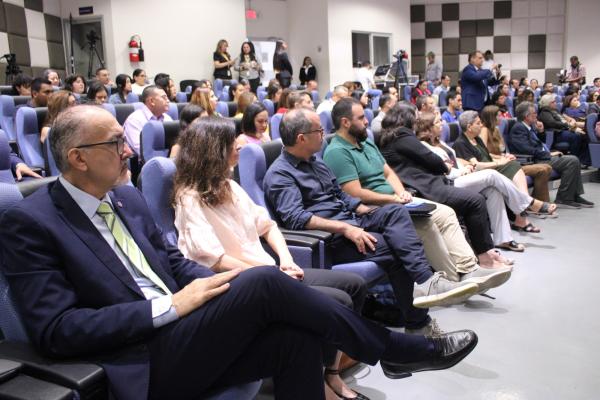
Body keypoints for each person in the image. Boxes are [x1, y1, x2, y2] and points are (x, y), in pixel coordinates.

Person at [0, 104, 478, 400]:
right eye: (115, 143)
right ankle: (395, 349)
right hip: (137, 358)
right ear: (78, 158)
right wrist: (172, 305)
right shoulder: (32, 221)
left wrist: (215, 287)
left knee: (295, 338)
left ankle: (391, 351)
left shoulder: (125, 198)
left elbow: (171, 262)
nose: (129, 150)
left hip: (182, 331)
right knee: (264, 280)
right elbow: (57, 331)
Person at [173, 117, 371, 400]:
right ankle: (320, 382)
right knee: (339, 301)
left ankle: (331, 371)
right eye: (232, 143)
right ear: (214, 150)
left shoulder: (229, 186)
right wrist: (271, 273)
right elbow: (214, 260)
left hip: (271, 272)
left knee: (354, 285)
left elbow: (268, 226)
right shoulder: (189, 199)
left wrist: (285, 259)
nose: (239, 147)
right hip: (244, 284)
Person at [263, 109, 482, 331]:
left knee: (395, 211)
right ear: (301, 138)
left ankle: (426, 284)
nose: (323, 134)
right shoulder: (280, 174)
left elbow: (339, 194)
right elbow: (296, 218)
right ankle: (419, 321)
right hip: (330, 239)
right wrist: (345, 228)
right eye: (318, 130)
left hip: (351, 219)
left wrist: (363, 209)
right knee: (395, 247)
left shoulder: (315, 161)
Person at [324, 97, 511, 287]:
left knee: (446, 213)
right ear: (345, 122)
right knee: (426, 225)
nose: (366, 121)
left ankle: (469, 269)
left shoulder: (366, 143)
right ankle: (453, 281)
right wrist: (392, 198)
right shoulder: (337, 152)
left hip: (397, 199)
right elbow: (354, 193)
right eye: (361, 118)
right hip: (377, 209)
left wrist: (401, 193)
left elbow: (388, 172)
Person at [377, 102, 513, 267]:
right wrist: (445, 167)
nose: (417, 120)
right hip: (425, 187)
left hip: (423, 184)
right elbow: (431, 159)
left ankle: (486, 252)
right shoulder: (402, 135)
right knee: (475, 201)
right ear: (408, 117)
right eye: (415, 116)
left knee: (481, 196)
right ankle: (485, 257)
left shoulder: (390, 136)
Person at [416, 111, 535, 252]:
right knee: (491, 175)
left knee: (493, 191)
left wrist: (465, 167)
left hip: (459, 176)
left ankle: (504, 239)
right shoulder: (423, 146)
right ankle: (527, 203)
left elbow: (453, 161)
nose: (442, 123)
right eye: (437, 122)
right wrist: (461, 171)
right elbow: (441, 169)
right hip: (448, 183)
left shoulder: (440, 142)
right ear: (428, 127)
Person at [453, 110, 556, 232]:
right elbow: (477, 165)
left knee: (513, 165)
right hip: (483, 173)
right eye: (478, 123)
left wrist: (503, 158)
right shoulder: (461, 143)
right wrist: (499, 163)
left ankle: (524, 208)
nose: (481, 125)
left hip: (493, 167)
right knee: (513, 167)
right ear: (469, 127)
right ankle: (526, 207)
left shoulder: (476, 139)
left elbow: (487, 155)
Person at [507, 101, 594, 208]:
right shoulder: (518, 128)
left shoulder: (529, 126)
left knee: (573, 160)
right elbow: (526, 149)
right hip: (535, 160)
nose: (536, 115)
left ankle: (573, 195)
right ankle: (564, 198)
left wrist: (541, 131)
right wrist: (548, 154)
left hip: (541, 157)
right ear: (526, 116)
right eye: (534, 113)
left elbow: (539, 144)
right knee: (572, 161)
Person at [479, 105, 553, 203]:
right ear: (491, 117)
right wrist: (501, 158)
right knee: (542, 169)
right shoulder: (484, 130)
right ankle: (539, 204)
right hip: (497, 166)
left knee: (547, 167)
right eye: (498, 116)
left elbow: (502, 151)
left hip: (506, 163)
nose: (501, 118)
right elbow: (483, 153)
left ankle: (536, 201)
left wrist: (506, 156)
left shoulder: (496, 130)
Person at [538, 94, 590, 166]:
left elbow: (563, 119)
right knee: (576, 136)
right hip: (555, 134)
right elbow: (553, 123)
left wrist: (571, 123)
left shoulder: (555, 111)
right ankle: (574, 160)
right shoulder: (544, 113)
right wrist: (568, 125)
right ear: (548, 103)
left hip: (563, 130)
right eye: (553, 102)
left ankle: (583, 160)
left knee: (585, 135)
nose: (555, 103)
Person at [123, 85, 172, 155]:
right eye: (164, 97)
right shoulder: (134, 120)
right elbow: (143, 151)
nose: (168, 100)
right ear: (152, 101)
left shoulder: (167, 118)